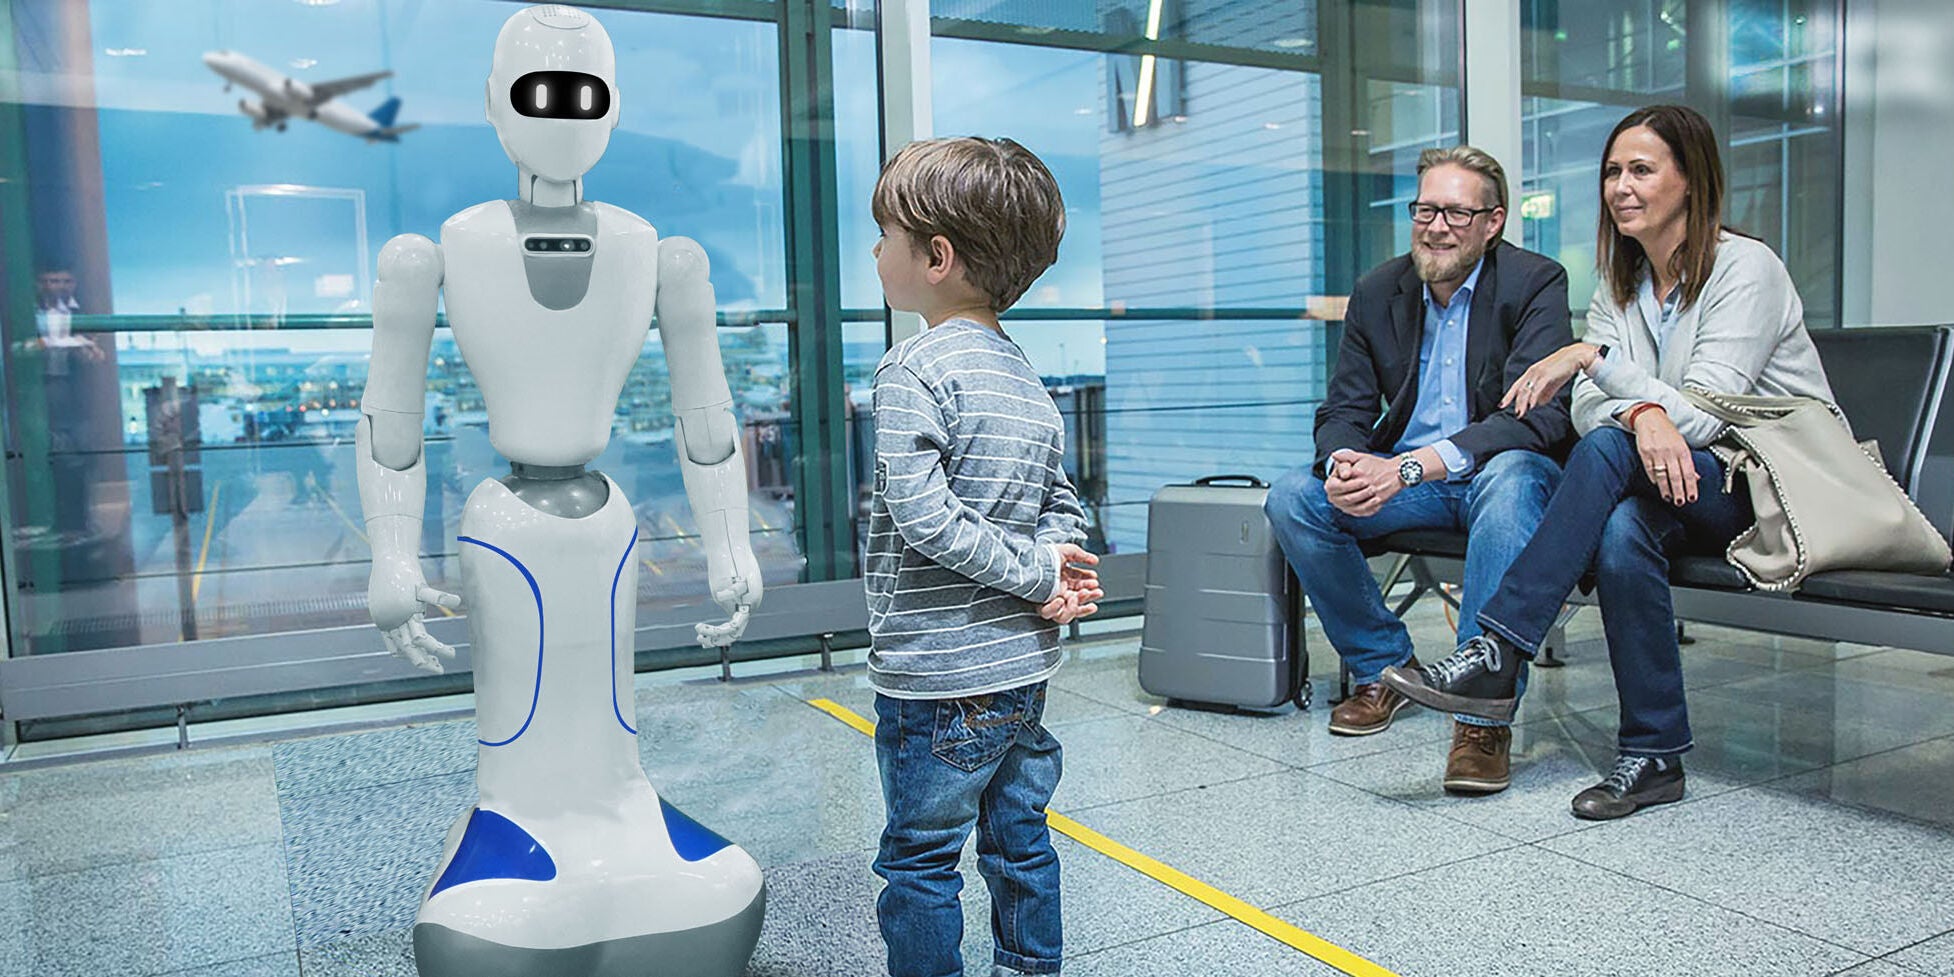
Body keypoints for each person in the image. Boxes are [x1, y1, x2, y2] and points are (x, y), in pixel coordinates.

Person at [1382, 104, 1835, 820]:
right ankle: (1653, 756)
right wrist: (1639, 409)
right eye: (1612, 172)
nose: (1621, 186)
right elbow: (1593, 407)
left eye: (1642, 170)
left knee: (1608, 446)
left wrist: (1596, 364)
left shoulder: (1747, 270)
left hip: (1766, 487)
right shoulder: (1621, 281)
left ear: (1691, 181)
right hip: (1668, 481)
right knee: (1624, 532)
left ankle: (1500, 647)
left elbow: (1707, 416)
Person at [864, 136, 1103, 977]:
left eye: (884, 234)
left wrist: (1042, 573)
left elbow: (923, 516)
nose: (874, 250)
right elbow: (1060, 504)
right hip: (1019, 668)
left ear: (936, 255)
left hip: (937, 675)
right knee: (1019, 837)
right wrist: (1056, 567)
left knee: (921, 860)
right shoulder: (1025, 373)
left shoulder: (911, 369)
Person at [1263, 146, 1574, 794]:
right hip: (1410, 483)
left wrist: (1407, 467)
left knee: (1514, 476)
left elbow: (1536, 419)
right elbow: (1345, 405)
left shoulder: (1535, 281)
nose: (1435, 227)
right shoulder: (1380, 289)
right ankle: (1385, 668)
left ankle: (1479, 715)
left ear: (1494, 221)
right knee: (1296, 495)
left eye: (1456, 213)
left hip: (1494, 472)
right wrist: (1347, 461)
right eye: (1425, 209)